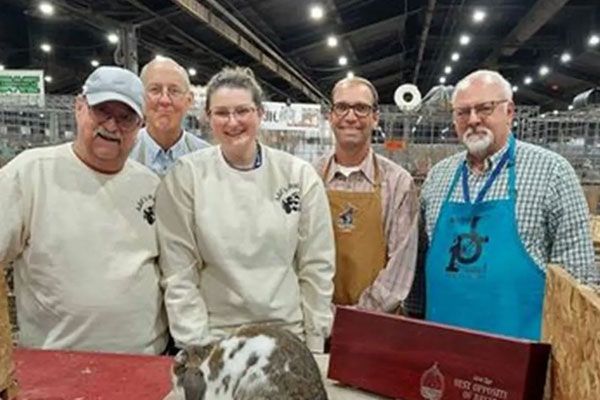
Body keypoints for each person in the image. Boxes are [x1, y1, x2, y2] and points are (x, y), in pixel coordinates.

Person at [156, 67, 335, 352]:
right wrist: (195, 345)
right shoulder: (186, 176)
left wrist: (314, 339)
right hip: (217, 338)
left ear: (260, 114)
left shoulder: (298, 175)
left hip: (287, 335)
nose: (233, 122)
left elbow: (316, 265)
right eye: (222, 113)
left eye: (242, 111)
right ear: (208, 118)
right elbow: (179, 272)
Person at [0, 66, 168, 354]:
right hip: (56, 364)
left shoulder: (151, 186)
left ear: (140, 127)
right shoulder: (29, 174)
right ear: (80, 108)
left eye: (125, 117)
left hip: (146, 360)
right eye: (102, 111)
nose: (112, 126)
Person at [420, 69, 599, 340]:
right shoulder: (438, 177)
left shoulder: (552, 173)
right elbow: (422, 263)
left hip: (520, 356)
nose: (473, 120)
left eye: (485, 108)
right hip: (443, 350)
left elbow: (577, 282)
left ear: (509, 112)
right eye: (462, 112)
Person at [314, 76, 419, 313]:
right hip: (316, 320)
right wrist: (323, 314)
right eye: (342, 107)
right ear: (330, 116)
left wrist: (357, 318)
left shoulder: (398, 183)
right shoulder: (309, 178)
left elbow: (399, 271)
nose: (351, 117)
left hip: (377, 325)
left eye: (361, 108)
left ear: (375, 118)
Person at [129, 57, 209, 175]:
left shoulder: (207, 159)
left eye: (174, 91)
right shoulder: (121, 155)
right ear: (140, 97)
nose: (164, 100)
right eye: (155, 90)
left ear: (189, 100)